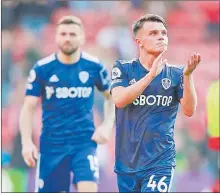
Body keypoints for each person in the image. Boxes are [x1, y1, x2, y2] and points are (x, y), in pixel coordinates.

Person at [19, 16, 115, 192]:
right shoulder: (42, 68)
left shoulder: (94, 66)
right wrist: (26, 142)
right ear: (56, 37)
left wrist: (107, 126)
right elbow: (28, 107)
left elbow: (111, 98)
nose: (67, 38)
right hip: (52, 144)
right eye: (63, 34)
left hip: (84, 142)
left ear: (82, 38)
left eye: (72, 34)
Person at [110, 14, 201, 192]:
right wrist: (150, 76)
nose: (161, 36)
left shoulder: (176, 74)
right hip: (127, 163)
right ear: (139, 42)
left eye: (164, 33)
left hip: (160, 161)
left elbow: (190, 110)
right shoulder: (123, 68)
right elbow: (119, 100)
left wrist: (188, 76)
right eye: (153, 33)